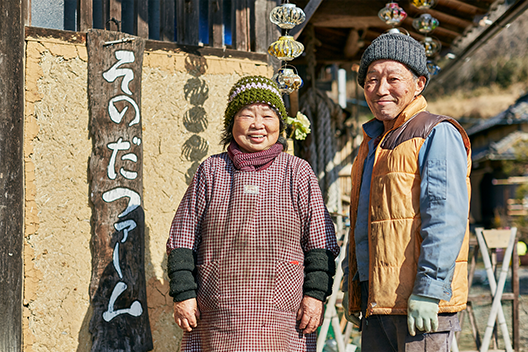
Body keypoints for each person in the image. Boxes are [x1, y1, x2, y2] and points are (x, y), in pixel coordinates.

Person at [166, 75, 340, 352]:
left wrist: (315, 295)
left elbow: (321, 243)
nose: (258, 124)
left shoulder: (298, 172)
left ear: (280, 124)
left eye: (268, 115)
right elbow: (181, 240)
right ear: (231, 123)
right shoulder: (211, 171)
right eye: (247, 115)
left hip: (284, 314)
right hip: (218, 314)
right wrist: (183, 295)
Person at [341, 33, 472, 351]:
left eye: (393, 78)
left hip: (421, 306)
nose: (380, 89)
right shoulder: (372, 142)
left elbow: (445, 217)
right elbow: (362, 226)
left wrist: (428, 290)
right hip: (377, 302)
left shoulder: (435, 132)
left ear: (419, 84)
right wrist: (355, 290)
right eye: (371, 80)